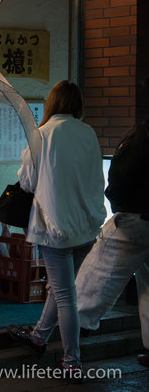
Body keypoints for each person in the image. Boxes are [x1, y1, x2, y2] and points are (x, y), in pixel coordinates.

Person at [6, 81, 106, 380]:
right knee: (62, 290)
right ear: (78, 105)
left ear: (51, 104)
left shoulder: (42, 134)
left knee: (65, 296)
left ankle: (72, 362)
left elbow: (26, 182)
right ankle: (38, 336)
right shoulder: (88, 133)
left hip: (55, 227)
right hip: (87, 226)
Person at [75, 118, 149, 368]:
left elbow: (120, 179)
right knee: (147, 286)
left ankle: (78, 326)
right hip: (142, 217)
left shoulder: (140, 137)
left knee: (96, 276)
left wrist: (116, 204)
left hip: (133, 219)